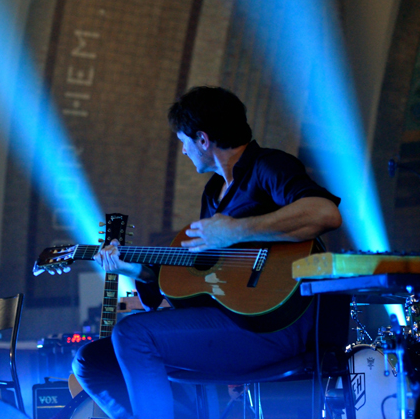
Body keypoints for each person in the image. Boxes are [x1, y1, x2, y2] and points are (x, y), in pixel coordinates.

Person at [72, 86, 342, 419]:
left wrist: (237, 229)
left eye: (183, 141)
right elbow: (197, 283)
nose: (183, 151)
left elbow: (325, 213)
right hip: (227, 321)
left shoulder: (268, 166)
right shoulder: (214, 192)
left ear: (202, 139)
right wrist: (132, 269)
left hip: (273, 329)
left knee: (132, 333)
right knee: (90, 361)